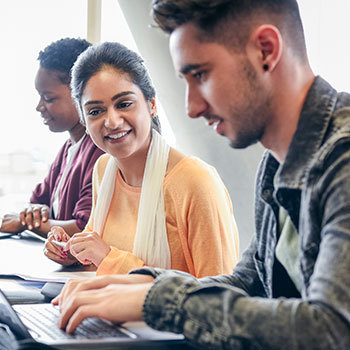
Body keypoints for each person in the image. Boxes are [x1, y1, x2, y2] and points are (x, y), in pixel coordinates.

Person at [53, 0, 350, 348]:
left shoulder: (341, 160)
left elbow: (332, 330)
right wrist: (141, 284)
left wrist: (162, 301)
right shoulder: (275, 164)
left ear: (265, 51)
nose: (192, 107)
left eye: (201, 75)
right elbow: (251, 283)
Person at [44, 41, 239, 276]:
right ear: (84, 120)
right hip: (107, 309)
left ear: (152, 105)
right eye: (96, 111)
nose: (112, 121)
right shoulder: (104, 169)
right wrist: (70, 253)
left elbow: (218, 296)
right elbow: (98, 262)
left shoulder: (196, 182)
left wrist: (108, 257)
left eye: (124, 104)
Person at [0, 38, 104, 238]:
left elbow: (84, 228)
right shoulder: (68, 149)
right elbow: (37, 202)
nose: (39, 107)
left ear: (81, 93)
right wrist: (32, 216)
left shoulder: (100, 152)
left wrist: (25, 222)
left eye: (48, 98)